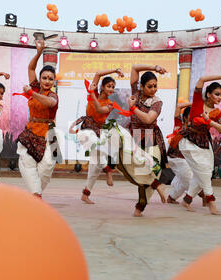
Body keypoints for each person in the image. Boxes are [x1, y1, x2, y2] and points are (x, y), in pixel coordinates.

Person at [171, 75, 221, 215]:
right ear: (209, 94)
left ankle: (187, 199)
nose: (219, 97)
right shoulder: (198, 101)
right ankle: (211, 201)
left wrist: (209, 121)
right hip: (189, 141)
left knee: (206, 171)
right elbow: (201, 79)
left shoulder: (217, 113)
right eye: (217, 94)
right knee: (203, 171)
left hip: (204, 142)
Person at [70, 68, 124, 204]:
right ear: (102, 87)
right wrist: (115, 70)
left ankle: (86, 193)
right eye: (109, 86)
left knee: (96, 165)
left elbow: (100, 109)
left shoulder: (110, 104)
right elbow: (98, 74)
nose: (111, 89)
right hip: (85, 130)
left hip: (98, 131)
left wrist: (91, 93)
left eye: (113, 87)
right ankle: (109, 170)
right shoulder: (93, 92)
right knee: (96, 146)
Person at [16, 40, 61, 199]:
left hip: (50, 132)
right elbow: (31, 68)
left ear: (54, 81)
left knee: (49, 165)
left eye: (50, 78)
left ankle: (36, 192)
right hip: (31, 130)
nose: (47, 81)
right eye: (44, 78)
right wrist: (39, 52)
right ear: (40, 79)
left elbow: (50, 103)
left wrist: (31, 94)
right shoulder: (35, 86)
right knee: (27, 162)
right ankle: (36, 195)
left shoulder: (52, 94)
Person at [127, 64, 169, 217]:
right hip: (135, 136)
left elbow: (148, 119)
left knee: (150, 169)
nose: (153, 89)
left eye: (155, 86)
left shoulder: (157, 102)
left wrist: (133, 109)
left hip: (150, 137)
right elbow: (134, 68)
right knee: (137, 171)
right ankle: (157, 187)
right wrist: (155, 67)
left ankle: (140, 207)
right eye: (150, 86)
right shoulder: (136, 93)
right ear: (142, 86)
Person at [166, 103, 194, 204]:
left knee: (182, 181)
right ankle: (206, 198)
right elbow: (178, 106)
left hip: (186, 159)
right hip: (175, 157)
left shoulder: (196, 130)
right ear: (185, 118)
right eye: (191, 116)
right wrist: (194, 103)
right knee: (190, 181)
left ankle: (171, 198)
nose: (194, 119)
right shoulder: (179, 125)